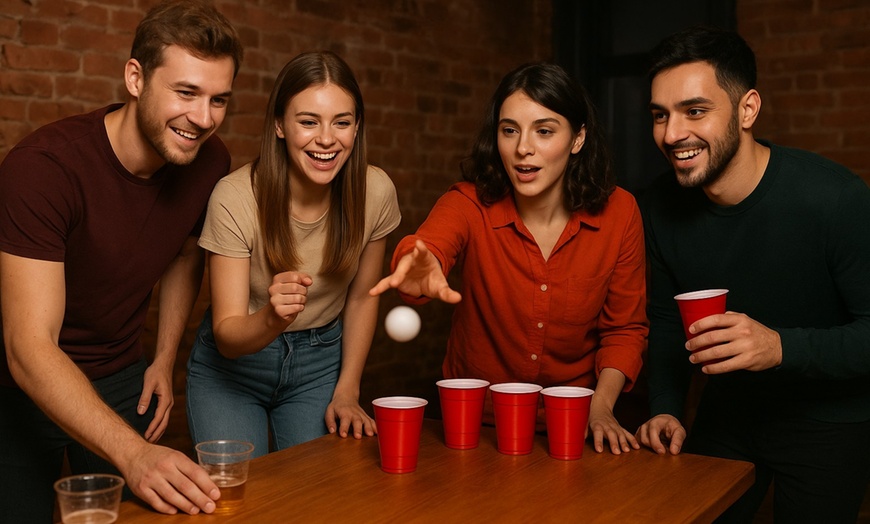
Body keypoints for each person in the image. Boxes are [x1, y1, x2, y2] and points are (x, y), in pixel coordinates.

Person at [0, 1, 244, 520]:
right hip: (17, 387)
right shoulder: (42, 170)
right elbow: (28, 349)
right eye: (185, 92)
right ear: (136, 77)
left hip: (119, 377)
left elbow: (184, 252)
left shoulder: (210, 161)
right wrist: (133, 454)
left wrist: (162, 356)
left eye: (218, 99)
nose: (203, 119)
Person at [635, 26, 870, 522]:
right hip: (729, 415)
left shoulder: (835, 200)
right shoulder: (657, 205)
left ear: (747, 110)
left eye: (694, 111)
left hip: (829, 422)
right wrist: (666, 406)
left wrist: (779, 346)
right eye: (661, 115)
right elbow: (662, 319)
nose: (672, 134)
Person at [370, 62, 648, 454]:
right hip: (475, 426)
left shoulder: (620, 213)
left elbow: (624, 330)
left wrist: (600, 408)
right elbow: (429, 243)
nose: (522, 148)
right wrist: (419, 264)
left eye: (544, 131)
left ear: (578, 138)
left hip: (576, 422)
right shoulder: (468, 202)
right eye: (509, 130)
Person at [185, 51, 400, 458]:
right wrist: (271, 316)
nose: (326, 139)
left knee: (314, 501)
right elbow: (228, 336)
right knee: (238, 499)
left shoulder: (375, 193)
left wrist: (348, 389)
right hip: (233, 370)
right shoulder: (235, 196)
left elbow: (361, 297)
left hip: (320, 366)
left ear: (357, 128)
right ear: (280, 126)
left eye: (342, 122)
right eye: (308, 122)